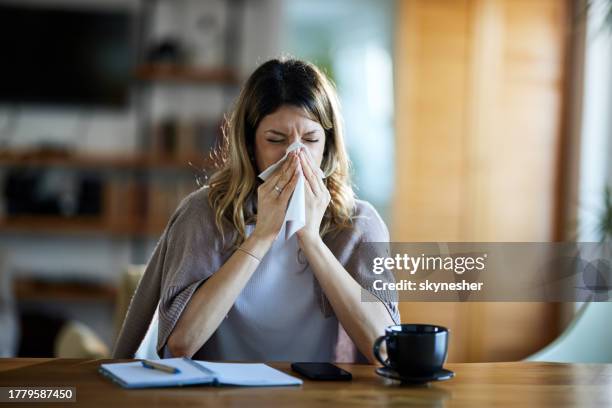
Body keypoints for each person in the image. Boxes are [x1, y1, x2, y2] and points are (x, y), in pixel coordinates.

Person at [113, 58, 399, 363]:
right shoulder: (203, 213)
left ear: (327, 146)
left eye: (311, 139)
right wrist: (262, 236)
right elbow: (181, 344)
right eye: (276, 140)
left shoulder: (359, 223)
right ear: (250, 146)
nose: (295, 155)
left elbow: (385, 348)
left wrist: (311, 239)